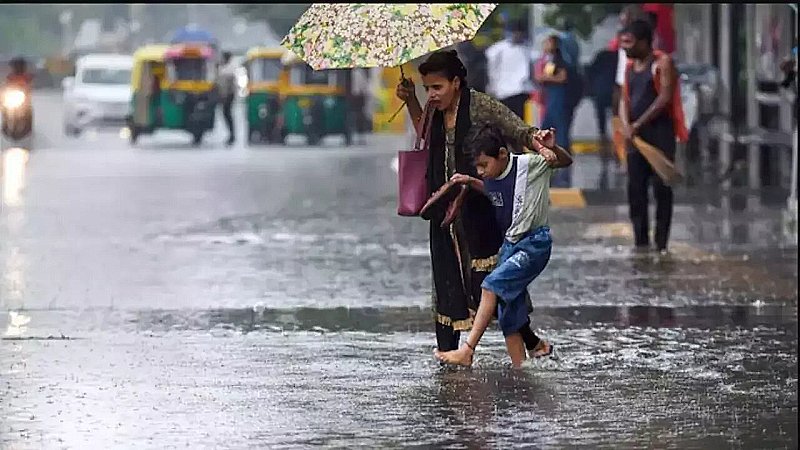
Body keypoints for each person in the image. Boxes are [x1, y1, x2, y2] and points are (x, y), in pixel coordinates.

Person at [395, 50, 558, 356]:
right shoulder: (433, 109)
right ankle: (448, 355)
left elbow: (516, 128)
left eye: (437, 88)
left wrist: (540, 140)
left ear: (456, 82)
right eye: (427, 88)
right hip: (443, 208)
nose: (431, 94)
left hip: (479, 207)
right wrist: (411, 101)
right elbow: (426, 136)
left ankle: (530, 342)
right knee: (445, 281)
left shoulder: (480, 104)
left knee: (491, 281)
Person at [434, 125, 572, 367]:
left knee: (490, 286)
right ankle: (521, 369)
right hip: (510, 246)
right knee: (509, 314)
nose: (481, 171)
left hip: (533, 244)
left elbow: (564, 161)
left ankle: (467, 350)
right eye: (477, 167)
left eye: (483, 165)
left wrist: (552, 149)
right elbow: (489, 188)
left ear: (502, 154)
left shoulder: (529, 165)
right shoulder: (491, 176)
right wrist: (468, 180)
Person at [619, 19, 688, 253]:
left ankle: (661, 244)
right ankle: (641, 243)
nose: (624, 48)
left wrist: (637, 124)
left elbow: (664, 97)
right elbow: (624, 98)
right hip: (635, 139)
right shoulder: (629, 67)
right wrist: (627, 124)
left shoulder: (662, 62)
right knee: (635, 190)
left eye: (629, 43)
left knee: (661, 188)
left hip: (659, 134)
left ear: (644, 42)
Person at [535, 35, 572, 187]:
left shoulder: (559, 60)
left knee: (559, 126)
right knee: (547, 124)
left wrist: (546, 78)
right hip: (550, 97)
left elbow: (562, 77)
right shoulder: (547, 60)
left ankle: (561, 153)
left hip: (558, 97)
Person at [485, 20, 532, 119]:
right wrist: (492, 86)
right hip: (503, 91)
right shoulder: (499, 49)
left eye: (520, 32)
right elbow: (491, 68)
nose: (518, 35)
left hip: (521, 90)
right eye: (516, 32)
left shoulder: (526, 49)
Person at [217, 51, 237, 146]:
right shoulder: (225, 68)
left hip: (228, 95)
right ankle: (231, 135)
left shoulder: (229, 69)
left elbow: (227, 85)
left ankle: (232, 135)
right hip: (226, 95)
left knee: (227, 115)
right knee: (226, 115)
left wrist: (224, 96)